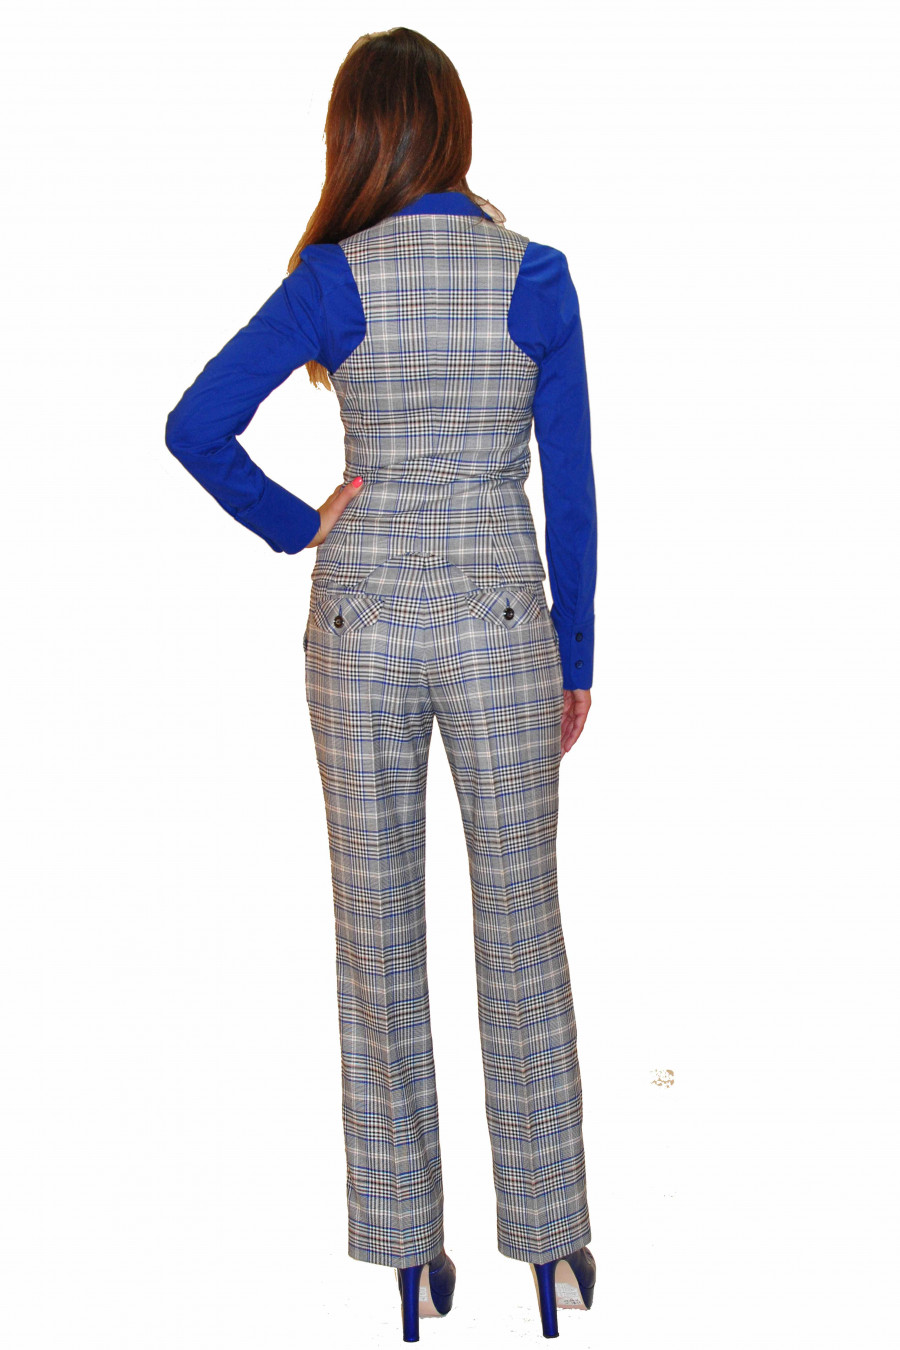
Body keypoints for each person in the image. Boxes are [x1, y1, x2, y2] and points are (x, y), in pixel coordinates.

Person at [165, 26, 597, 1342]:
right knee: (522, 927)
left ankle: (410, 1259)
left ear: (357, 139)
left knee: (377, 931)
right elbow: (572, 486)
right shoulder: (536, 275)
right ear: (452, 127)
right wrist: (576, 656)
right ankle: (553, 1249)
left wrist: (302, 524)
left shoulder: (332, 280)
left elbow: (195, 425)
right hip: (503, 623)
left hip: (358, 628)